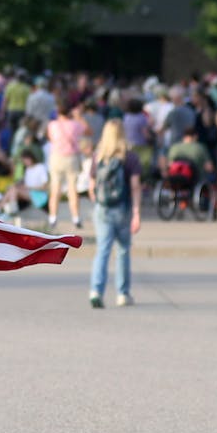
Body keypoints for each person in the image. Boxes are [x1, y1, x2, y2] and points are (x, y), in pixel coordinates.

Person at [87, 119, 141, 308]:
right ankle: (123, 293)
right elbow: (135, 187)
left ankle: (96, 290)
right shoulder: (130, 157)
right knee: (123, 250)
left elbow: (91, 187)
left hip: (103, 208)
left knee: (102, 250)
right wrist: (136, 212)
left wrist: (99, 204)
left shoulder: (98, 157)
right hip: (123, 208)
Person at [46, 99, 88, 230]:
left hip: (56, 157)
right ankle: (76, 217)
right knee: (72, 189)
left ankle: (53, 217)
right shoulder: (75, 124)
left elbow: (51, 138)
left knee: (55, 188)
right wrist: (79, 116)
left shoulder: (52, 125)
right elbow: (88, 130)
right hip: (71, 158)